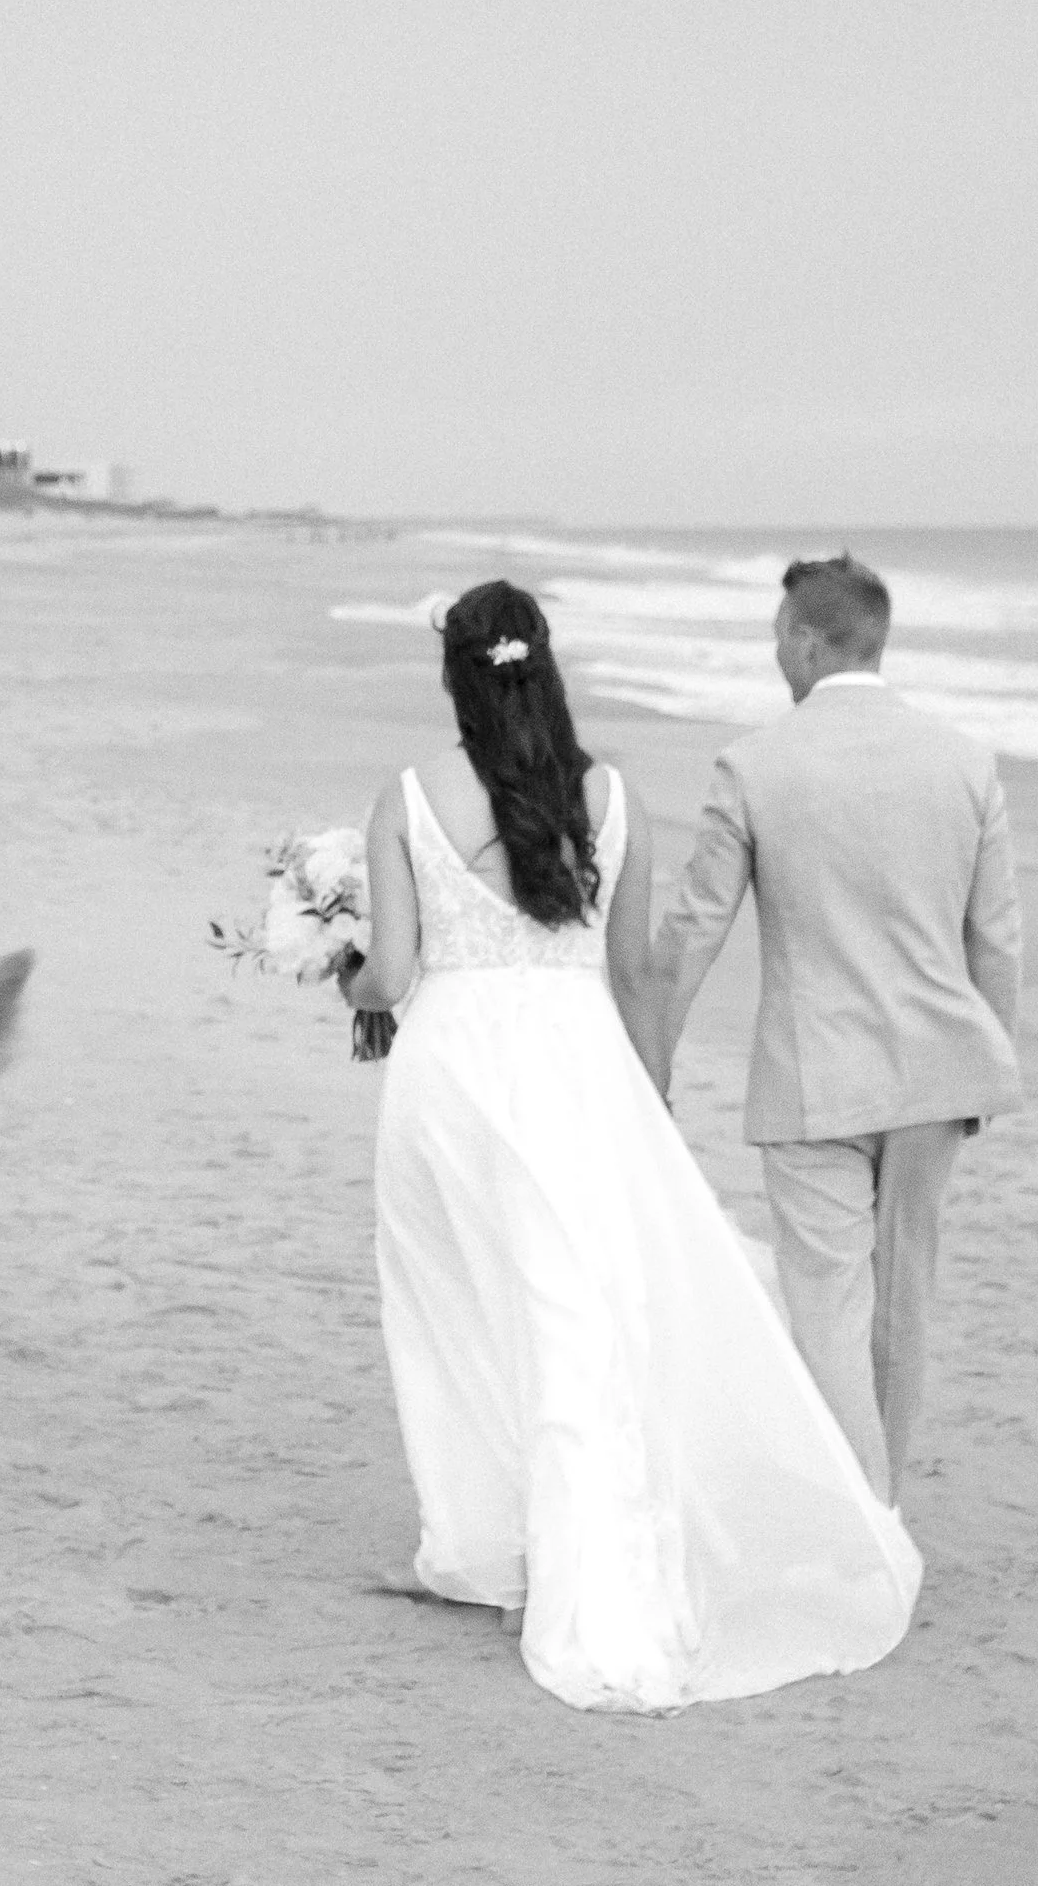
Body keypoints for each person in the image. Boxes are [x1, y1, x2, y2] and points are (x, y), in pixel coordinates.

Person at [338, 578, 921, 1714]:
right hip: (580, 1071)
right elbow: (636, 973)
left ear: (452, 674)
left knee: (456, 1306)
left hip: (452, 1073)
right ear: (544, 667)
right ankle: (557, 1551)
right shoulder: (609, 798)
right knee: (578, 1313)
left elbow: (396, 977)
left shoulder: (406, 797)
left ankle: (490, 1550)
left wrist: (342, 974)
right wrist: (644, 1100)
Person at [651, 552, 1022, 1503]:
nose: (775, 649)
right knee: (903, 1306)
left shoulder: (755, 763)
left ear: (810, 643)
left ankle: (863, 1519)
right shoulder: (966, 762)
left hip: (815, 1080)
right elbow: (999, 941)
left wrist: (645, 1054)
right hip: (941, 1071)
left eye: (780, 633)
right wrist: (991, 1067)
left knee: (827, 1304)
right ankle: (881, 1502)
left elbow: (695, 928)